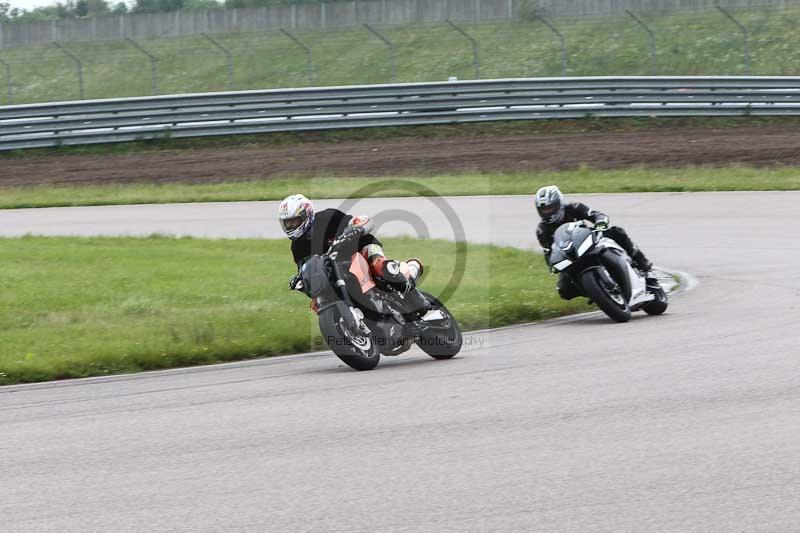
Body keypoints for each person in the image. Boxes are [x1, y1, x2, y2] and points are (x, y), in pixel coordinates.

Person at [278, 194, 423, 295]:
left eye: (293, 221)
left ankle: (409, 272)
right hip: (336, 269)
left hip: (360, 248)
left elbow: (359, 221)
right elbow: (306, 269)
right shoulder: (297, 246)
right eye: (287, 223)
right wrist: (301, 280)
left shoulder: (328, 217)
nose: (290, 226)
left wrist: (355, 228)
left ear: (306, 215)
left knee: (378, 267)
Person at [534, 185, 653, 300]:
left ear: (559, 203)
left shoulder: (574, 207)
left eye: (550, 208)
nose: (548, 212)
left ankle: (643, 263)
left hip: (588, 238)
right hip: (570, 255)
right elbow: (548, 252)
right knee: (564, 290)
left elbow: (596, 215)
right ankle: (596, 292)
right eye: (544, 210)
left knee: (617, 232)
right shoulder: (542, 230)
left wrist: (600, 222)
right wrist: (552, 264)